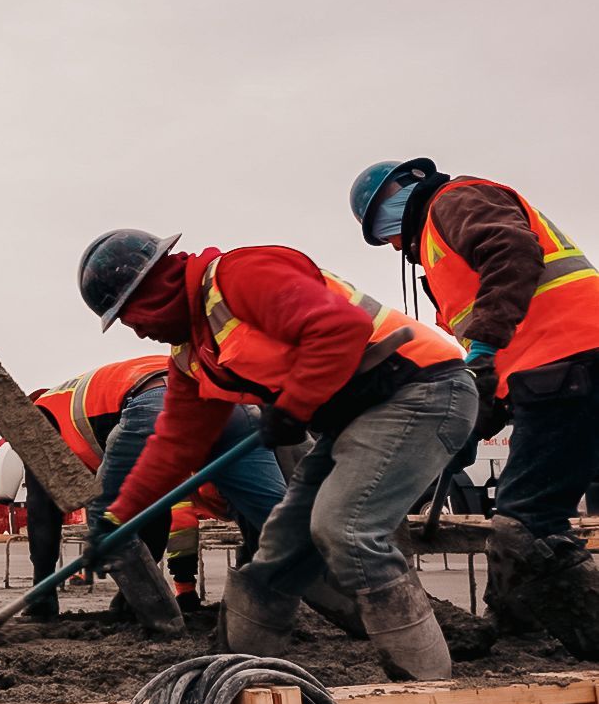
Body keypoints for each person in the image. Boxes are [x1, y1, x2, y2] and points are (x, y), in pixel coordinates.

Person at [77, 230, 472, 680]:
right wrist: (117, 518)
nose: (138, 331)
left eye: (128, 318)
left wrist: (292, 406)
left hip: (420, 387)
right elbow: (172, 447)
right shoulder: (192, 356)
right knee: (279, 550)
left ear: (149, 291)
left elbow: (342, 328)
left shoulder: (240, 275)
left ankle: (424, 682)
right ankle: (236, 677)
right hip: (357, 414)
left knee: (346, 528)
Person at [352, 158, 599, 654]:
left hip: (570, 360)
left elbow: (511, 254)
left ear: (403, 190)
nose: (394, 246)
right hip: (553, 370)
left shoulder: (455, 201)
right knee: (526, 511)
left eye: (384, 231)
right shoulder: (438, 253)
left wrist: (484, 346)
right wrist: (483, 405)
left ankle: (542, 632)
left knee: (527, 519)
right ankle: (516, 629)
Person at [27, 356, 286, 626]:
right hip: (229, 399)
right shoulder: (94, 388)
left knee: (105, 514)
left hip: (155, 399)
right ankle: (280, 601)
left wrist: (41, 590)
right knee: (277, 515)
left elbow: (41, 514)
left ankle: (157, 619)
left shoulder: (38, 420)